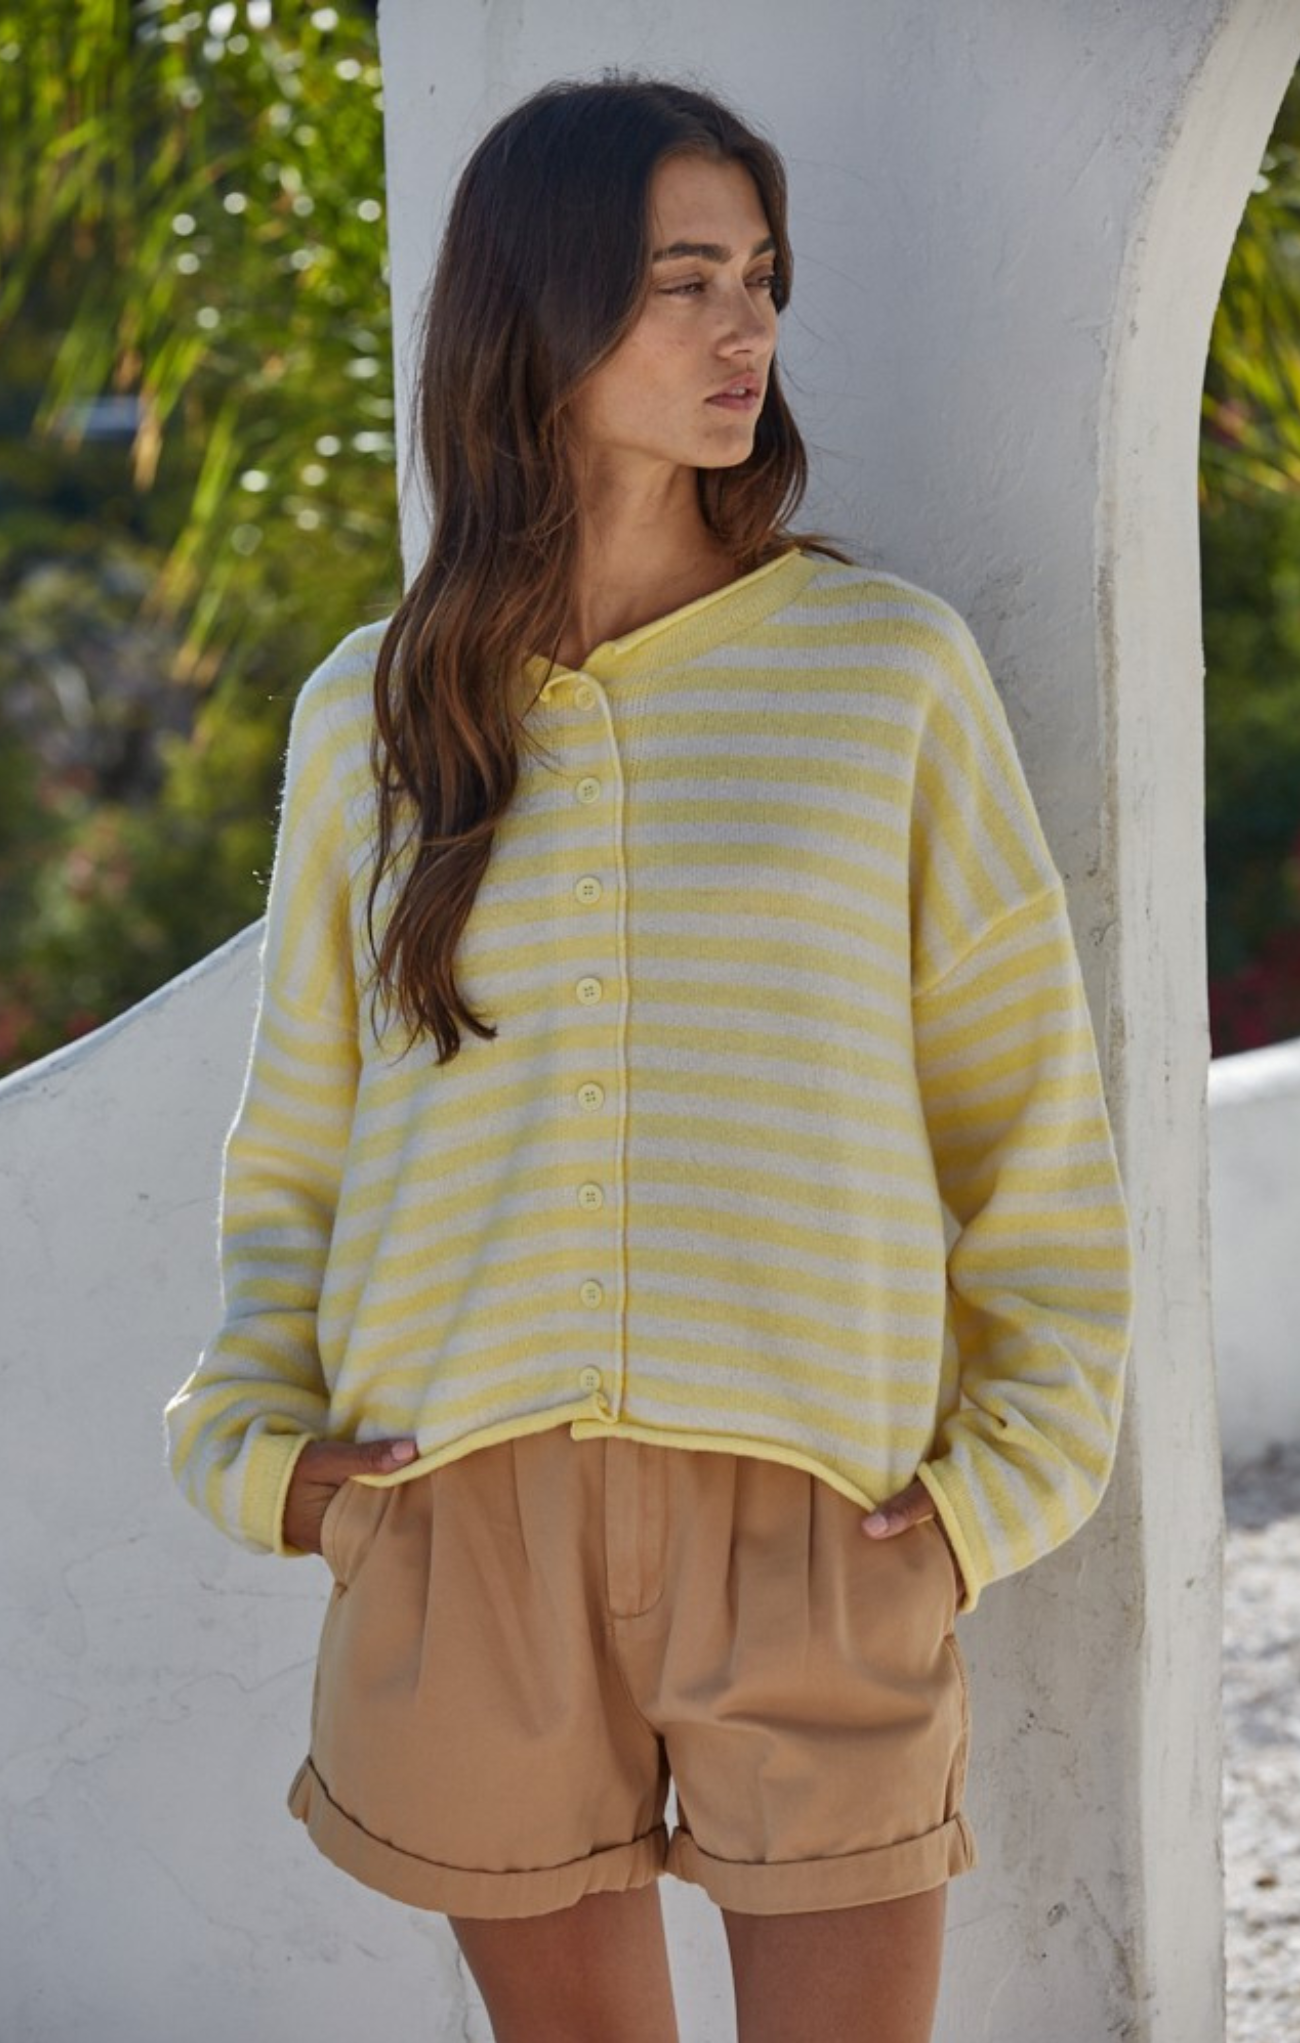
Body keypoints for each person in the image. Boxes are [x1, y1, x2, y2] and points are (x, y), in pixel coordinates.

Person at [164, 72, 1134, 2043]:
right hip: (460, 1519)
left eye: (757, 278)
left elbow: (1023, 1122)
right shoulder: (374, 713)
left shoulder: (885, 676)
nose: (741, 329)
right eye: (680, 279)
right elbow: (299, 1145)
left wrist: (987, 1499)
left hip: (820, 1518)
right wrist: (281, 1473)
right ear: (534, 310)